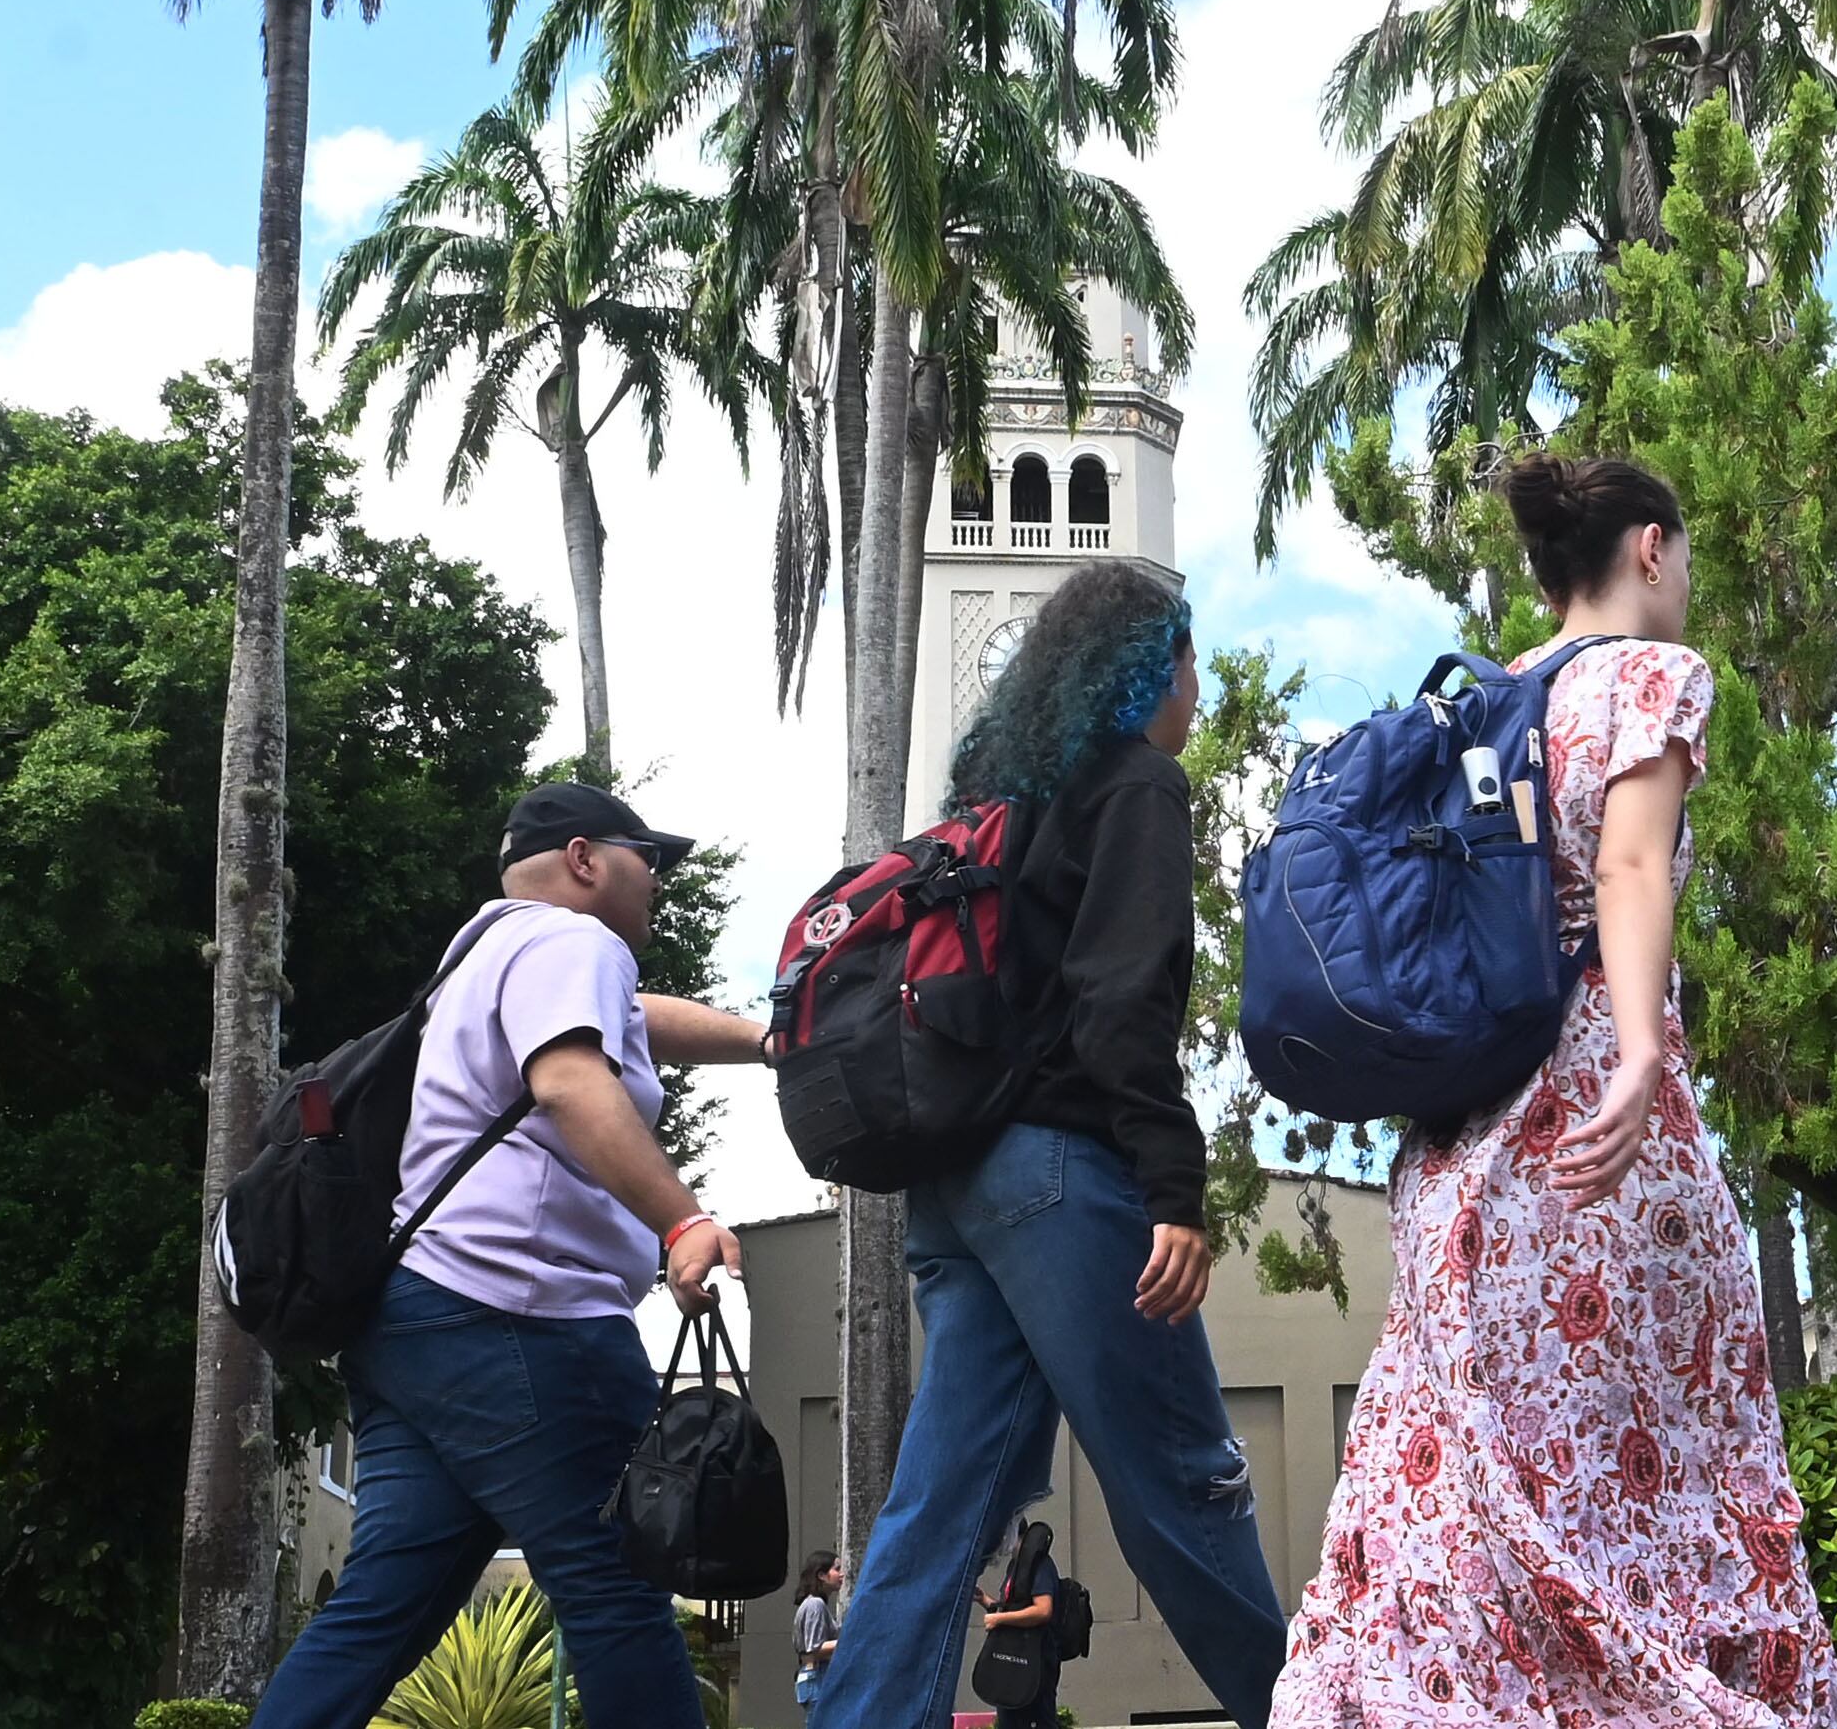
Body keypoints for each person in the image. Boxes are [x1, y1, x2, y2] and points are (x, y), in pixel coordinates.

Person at [1269, 456, 1837, 1726]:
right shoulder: (1651, 677)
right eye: (1683, 553)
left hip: (1458, 1139)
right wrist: (1640, 1051)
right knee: (1653, 1443)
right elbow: (1630, 868)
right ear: (1649, 548)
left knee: (1465, 1459)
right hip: (1589, 1108)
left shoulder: (1492, 698)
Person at [807, 561, 1288, 1729]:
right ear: (1149, 671)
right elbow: (1122, 1001)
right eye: (1186, 663)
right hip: (1062, 1180)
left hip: (954, 1185)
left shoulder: (997, 808)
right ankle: (1316, 1712)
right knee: (1187, 1481)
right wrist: (1172, 1188)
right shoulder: (1135, 786)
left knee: (937, 1509)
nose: (1193, 690)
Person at [252, 783, 772, 1729]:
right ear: (584, 859)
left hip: (413, 1319)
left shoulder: (485, 956)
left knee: (378, 1613)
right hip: (520, 1317)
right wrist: (681, 1222)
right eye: (645, 857)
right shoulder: (575, 942)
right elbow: (569, 1080)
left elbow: (635, 1018)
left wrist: (768, 1040)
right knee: (620, 1585)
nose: (656, 877)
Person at [975, 1517, 1061, 1729]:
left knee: (1041, 1720)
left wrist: (999, 1619)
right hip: (1012, 1661)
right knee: (1009, 1718)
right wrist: (985, 1601)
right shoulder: (1016, 1565)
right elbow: (1014, 1608)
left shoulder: (1039, 1565)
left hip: (1036, 1660)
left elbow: (1043, 1610)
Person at [793, 1551, 843, 1719]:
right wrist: (848, 1640)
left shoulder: (814, 1604)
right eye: (837, 1569)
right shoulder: (815, 1604)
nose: (841, 1574)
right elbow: (815, 1647)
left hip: (814, 1677)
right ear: (821, 1575)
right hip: (817, 1676)